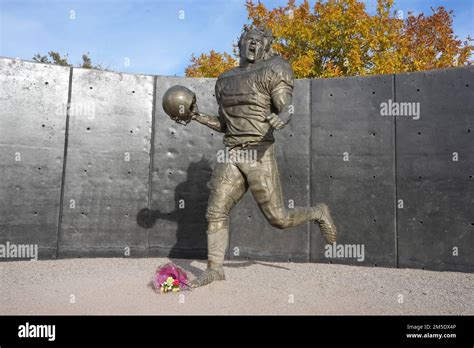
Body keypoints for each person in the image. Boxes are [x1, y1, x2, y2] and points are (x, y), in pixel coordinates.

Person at [189, 26, 337, 288]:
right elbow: (224, 124)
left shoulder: (276, 67)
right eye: (249, 40)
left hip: (259, 151)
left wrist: (282, 117)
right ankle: (215, 269)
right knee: (215, 211)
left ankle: (318, 212)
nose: (253, 45)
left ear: (267, 45)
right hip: (232, 151)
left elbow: (286, 104)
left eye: (258, 41)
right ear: (241, 43)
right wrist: (198, 116)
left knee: (278, 218)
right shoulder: (224, 79)